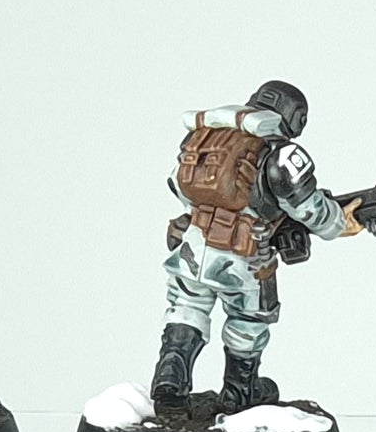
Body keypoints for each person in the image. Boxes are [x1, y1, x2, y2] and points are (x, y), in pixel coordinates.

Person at [152, 80, 358, 413]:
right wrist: (339, 221)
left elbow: (177, 185)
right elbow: (307, 208)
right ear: (296, 117)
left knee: (187, 307)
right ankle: (240, 392)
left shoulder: (205, 137)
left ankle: (170, 379)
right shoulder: (281, 152)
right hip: (243, 256)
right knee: (248, 320)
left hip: (192, 246)